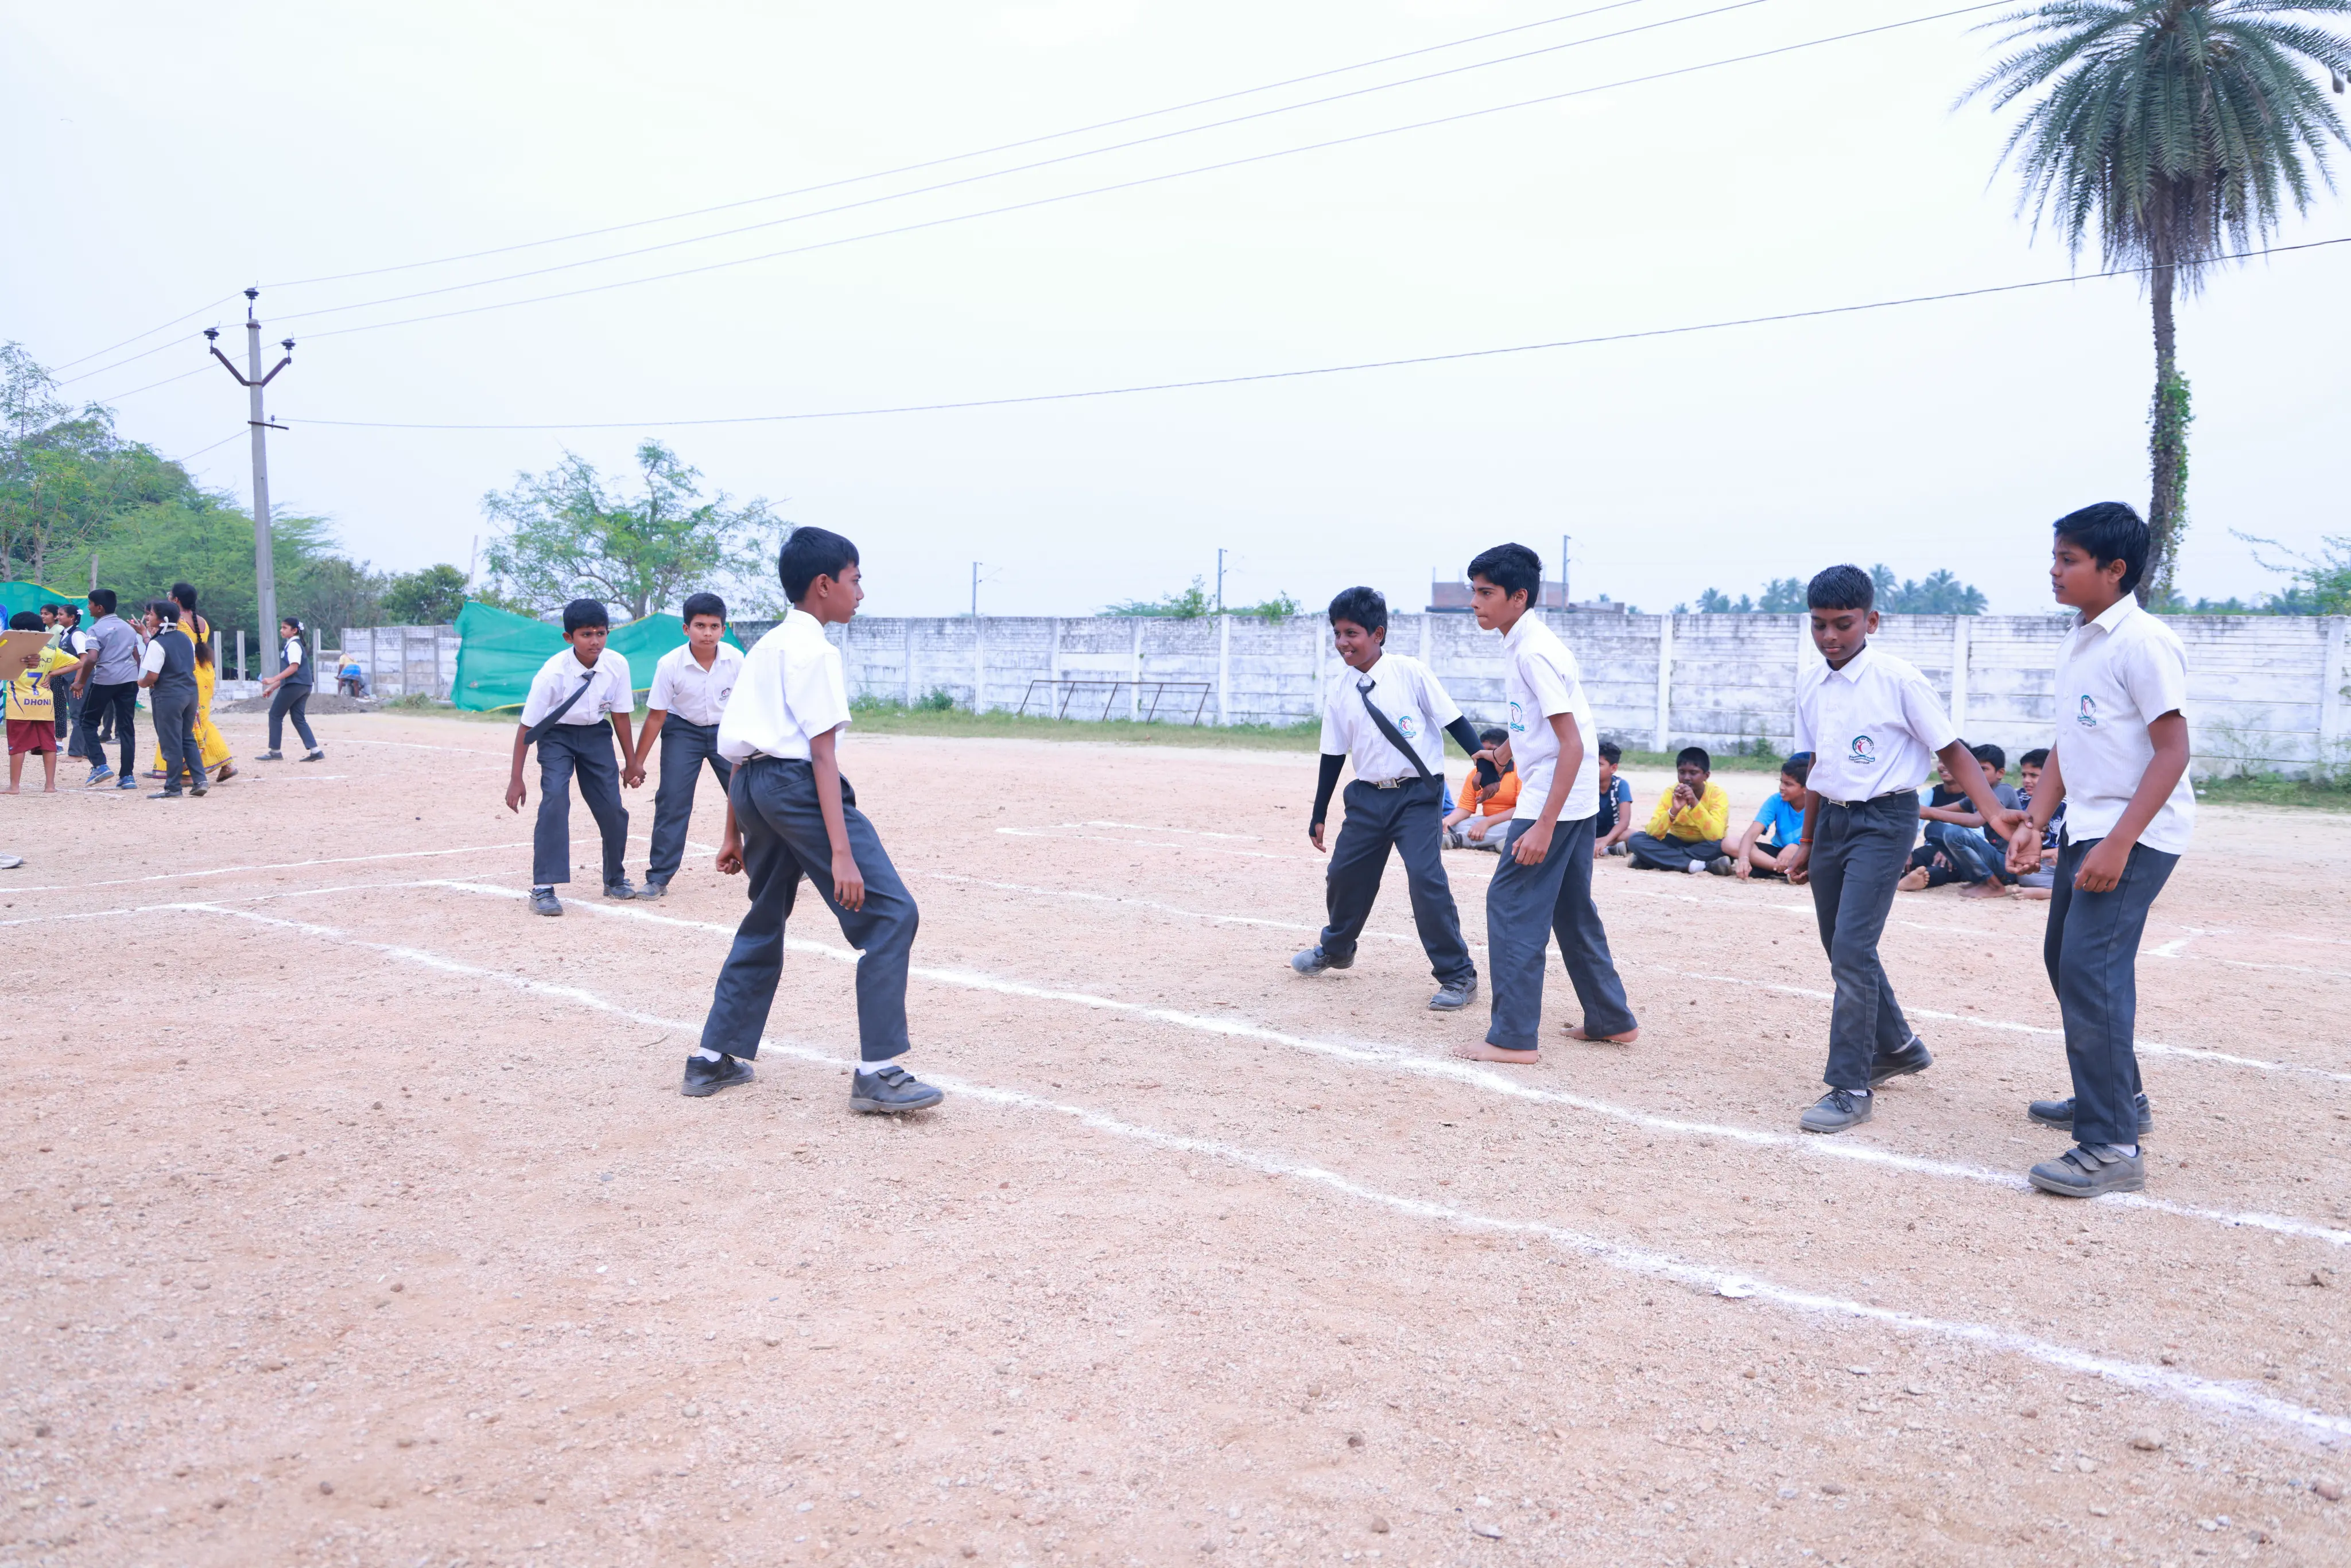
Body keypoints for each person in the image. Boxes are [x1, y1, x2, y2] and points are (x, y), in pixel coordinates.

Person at [691, 527, 941, 1113]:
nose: (860, 592)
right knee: (891, 914)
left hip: (751, 787)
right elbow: (821, 755)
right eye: (855, 580)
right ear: (824, 585)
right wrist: (841, 853)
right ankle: (878, 1070)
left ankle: (713, 1057)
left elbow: (737, 750)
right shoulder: (815, 651)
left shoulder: (763, 647)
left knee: (763, 917)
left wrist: (734, 830)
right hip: (794, 788)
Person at [1779, 564, 2022, 1135]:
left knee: (1852, 946)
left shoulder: (1898, 679)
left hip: (1885, 820)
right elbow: (1815, 766)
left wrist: (1992, 813)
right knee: (1838, 944)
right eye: (1819, 625)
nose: (1830, 636)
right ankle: (1898, 1045)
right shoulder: (1810, 684)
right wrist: (1807, 841)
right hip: (1833, 825)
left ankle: (1850, 1085)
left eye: (1843, 624)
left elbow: (1953, 749)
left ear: (1871, 620)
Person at [2004, 503, 2191, 1198]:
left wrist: (2119, 841)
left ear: (2114, 570)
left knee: (2091, 968)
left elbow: (2172, 752)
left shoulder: (2143, 642)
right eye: (2055, 556)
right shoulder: (2081, 637)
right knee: (2066, 959)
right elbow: (2067, 742)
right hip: (2088, 828)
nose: (2053, 570)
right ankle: (2122, 1099)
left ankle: (2112, 1143)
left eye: (2068, 559)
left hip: (2135, 833)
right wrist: (2036, 820)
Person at [1454, 542, 1639, 1063]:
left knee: (1510, 905)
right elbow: (1544, 723)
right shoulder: (1526, 642)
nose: (1475, 602)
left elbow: (1574, 744)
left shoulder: (1534, 652)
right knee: (1572, 909)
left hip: (1553, 802)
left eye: (1486, 593)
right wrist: (1505, 753)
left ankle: (1512, 1037)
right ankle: (1611, 1019)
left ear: (1519, 597)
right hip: (1571, 799)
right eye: (1474, 591)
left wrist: (1541, 826)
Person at [1291, 587, 1487, 1011]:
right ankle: (1338, 948)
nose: (1343, 642)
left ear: (1378, 633)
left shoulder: (1409, 672)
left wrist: (1482, 760)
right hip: (1367, 798)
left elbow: (1453, 720)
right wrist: (1319, 812)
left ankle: (1458, 976)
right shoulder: (1341, 689)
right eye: (1338, 633)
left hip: (1417, 796)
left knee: (1426, 881)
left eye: (1352, 633)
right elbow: (1332, 754)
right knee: (1343, 874)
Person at [505, 599, 639, 914]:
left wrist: (631, 761)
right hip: (557, 736)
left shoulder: (617, 665)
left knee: (613, 807)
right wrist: (516, 779)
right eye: (586, 634)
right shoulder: (552, 674)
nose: (595, 641)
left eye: (601, 633)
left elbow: (620, 716)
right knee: (555, 799)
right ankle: (543, 888)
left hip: (596, 734)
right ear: (569, 638)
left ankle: (615, 878)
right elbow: (527, 727)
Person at [629, 592, 744, 899]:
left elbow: (749, 707)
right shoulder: (670, 665)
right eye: (700, 625)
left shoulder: (736, 659)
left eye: (714, 626)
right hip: (683, 731)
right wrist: (637, 763)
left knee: (750, 795)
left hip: (726, 731)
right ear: (686, 629)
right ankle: (658, 878)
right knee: (673, 799)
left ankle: (782, 865)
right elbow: (656, 716)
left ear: (723, 628)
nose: (707, 633)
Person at [148, 587, 232, 782]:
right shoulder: (201, 620)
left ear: (175, 600)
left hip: (187, 673)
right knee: (200, 720)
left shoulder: (178, 623)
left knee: (188, 724)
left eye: (169, 596)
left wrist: (148, 634)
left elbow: (165, 646)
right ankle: (224, 763)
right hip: (206, 672)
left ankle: (186, 771)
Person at [68, 588, 141, 790]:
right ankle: (127, 776)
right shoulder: (128, 628)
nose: (89, 607)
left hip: (105, 680)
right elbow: (136, 656)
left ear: (99, 608)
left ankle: (100, 765)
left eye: (90, 604)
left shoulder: (95, 630)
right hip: (129, 680)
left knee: (87, 722)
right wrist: (134, 676)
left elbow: (91, 657)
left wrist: (81, 681)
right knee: (126, 727)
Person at [137, 600, 207, 799]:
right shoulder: (185, 639)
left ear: (162, 619)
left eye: (151, 614)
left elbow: (152, 676)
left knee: (171, 741)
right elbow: (192, 668)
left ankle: (173, 787)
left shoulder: (157, 643)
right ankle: (200, 780)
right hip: (190, 693)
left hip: (168, 695)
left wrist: (140, 683)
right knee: (187, 738)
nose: (148, 618)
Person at [1624, 747, 1731, 874]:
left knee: (1724, 846)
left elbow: (1715, 836)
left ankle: (1653, 859)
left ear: (1706, 776)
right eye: (1682, 772)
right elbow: (1653, 832)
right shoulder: (1671, 792)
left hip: (1706, 845)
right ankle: (1702, 866)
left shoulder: (1717, 794)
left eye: (1693, 773)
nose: (1687, 778)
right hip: (1677, 841)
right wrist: (1674, 811)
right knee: (1636, 840)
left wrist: (1695, 804)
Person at [6, 612, 79, 793]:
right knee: (48, 744)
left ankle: (14, 786)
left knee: (17, 746)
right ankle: (50, 786)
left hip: (19, 704)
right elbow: (78, 663)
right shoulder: (50, 651)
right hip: (44, 704)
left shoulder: (12, 650)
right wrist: (52, 673)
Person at [1730, 755, 1813, 879]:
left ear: (1806, 789)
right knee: (1730, 842)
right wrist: (1743, 859)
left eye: (1788, 784)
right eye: (1781, 782)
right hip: (1778, 854)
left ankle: (1787, 869)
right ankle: (1786, 870)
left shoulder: (1818, 806)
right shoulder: (1776, 800)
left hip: (1806, 852)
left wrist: (1797, 846)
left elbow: (1823, 840)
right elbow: (1751, 834)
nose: (1781, 787)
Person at [255, 616, 325, 762]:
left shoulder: (293, 645)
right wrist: (273, 687)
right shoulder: (294, 644)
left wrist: (273, 679)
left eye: (285, 628)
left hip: (295, 685)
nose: (281, 630)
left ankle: (275, 751)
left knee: (275, 715)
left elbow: (294, 667)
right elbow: (292, 671)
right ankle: (315, 750)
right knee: (298, 718)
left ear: (294, 631)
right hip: (304, 685)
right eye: (282, 627)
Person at [1442, 727, 1517, 850]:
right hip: (1487, 820)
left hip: (1511, 821)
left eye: (1492, 751)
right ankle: (1494, 845)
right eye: (1483, 752)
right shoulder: (1475, 774)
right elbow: (1465, 808)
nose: (1487, 756)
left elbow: (1521, 810)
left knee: (1517, 828)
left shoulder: (1519, 773)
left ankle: (1459, 840)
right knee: (1456, 826)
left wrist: (1487, 823)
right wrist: (1447, 822)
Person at [2013, 747, 2062, 897]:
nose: (2026, 780)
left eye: (2033, 775)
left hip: (2055, 861)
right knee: (2025, 872)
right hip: (2033, 862)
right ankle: (2058, 890)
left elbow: (2062, 850)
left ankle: (2049, 892)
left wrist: (2038, 854)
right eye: (2024, 775)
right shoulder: (2019, 798)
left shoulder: (2067, 804)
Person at [48, 604, 85, 744]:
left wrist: (78, 682)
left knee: (77, 715)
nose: (58, 617)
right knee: (76, 714)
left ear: (72, 617)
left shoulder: (77, 635)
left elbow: (84, 659)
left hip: (77, 681)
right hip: (69, 680)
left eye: (61, 615)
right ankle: (82, 750)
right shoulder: (66, 633)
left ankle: (77, 752)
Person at [1592, 740, 1635, 857]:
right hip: (1590, 834)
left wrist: (1605, 841)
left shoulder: (1621, 785)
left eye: (1599, 765)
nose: (1593, 768)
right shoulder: (1587, 785)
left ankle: (1604, 847)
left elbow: (1624, 821)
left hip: (1613, 834)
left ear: (1613, 768)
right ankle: (1611, 849)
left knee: (1633, 834)